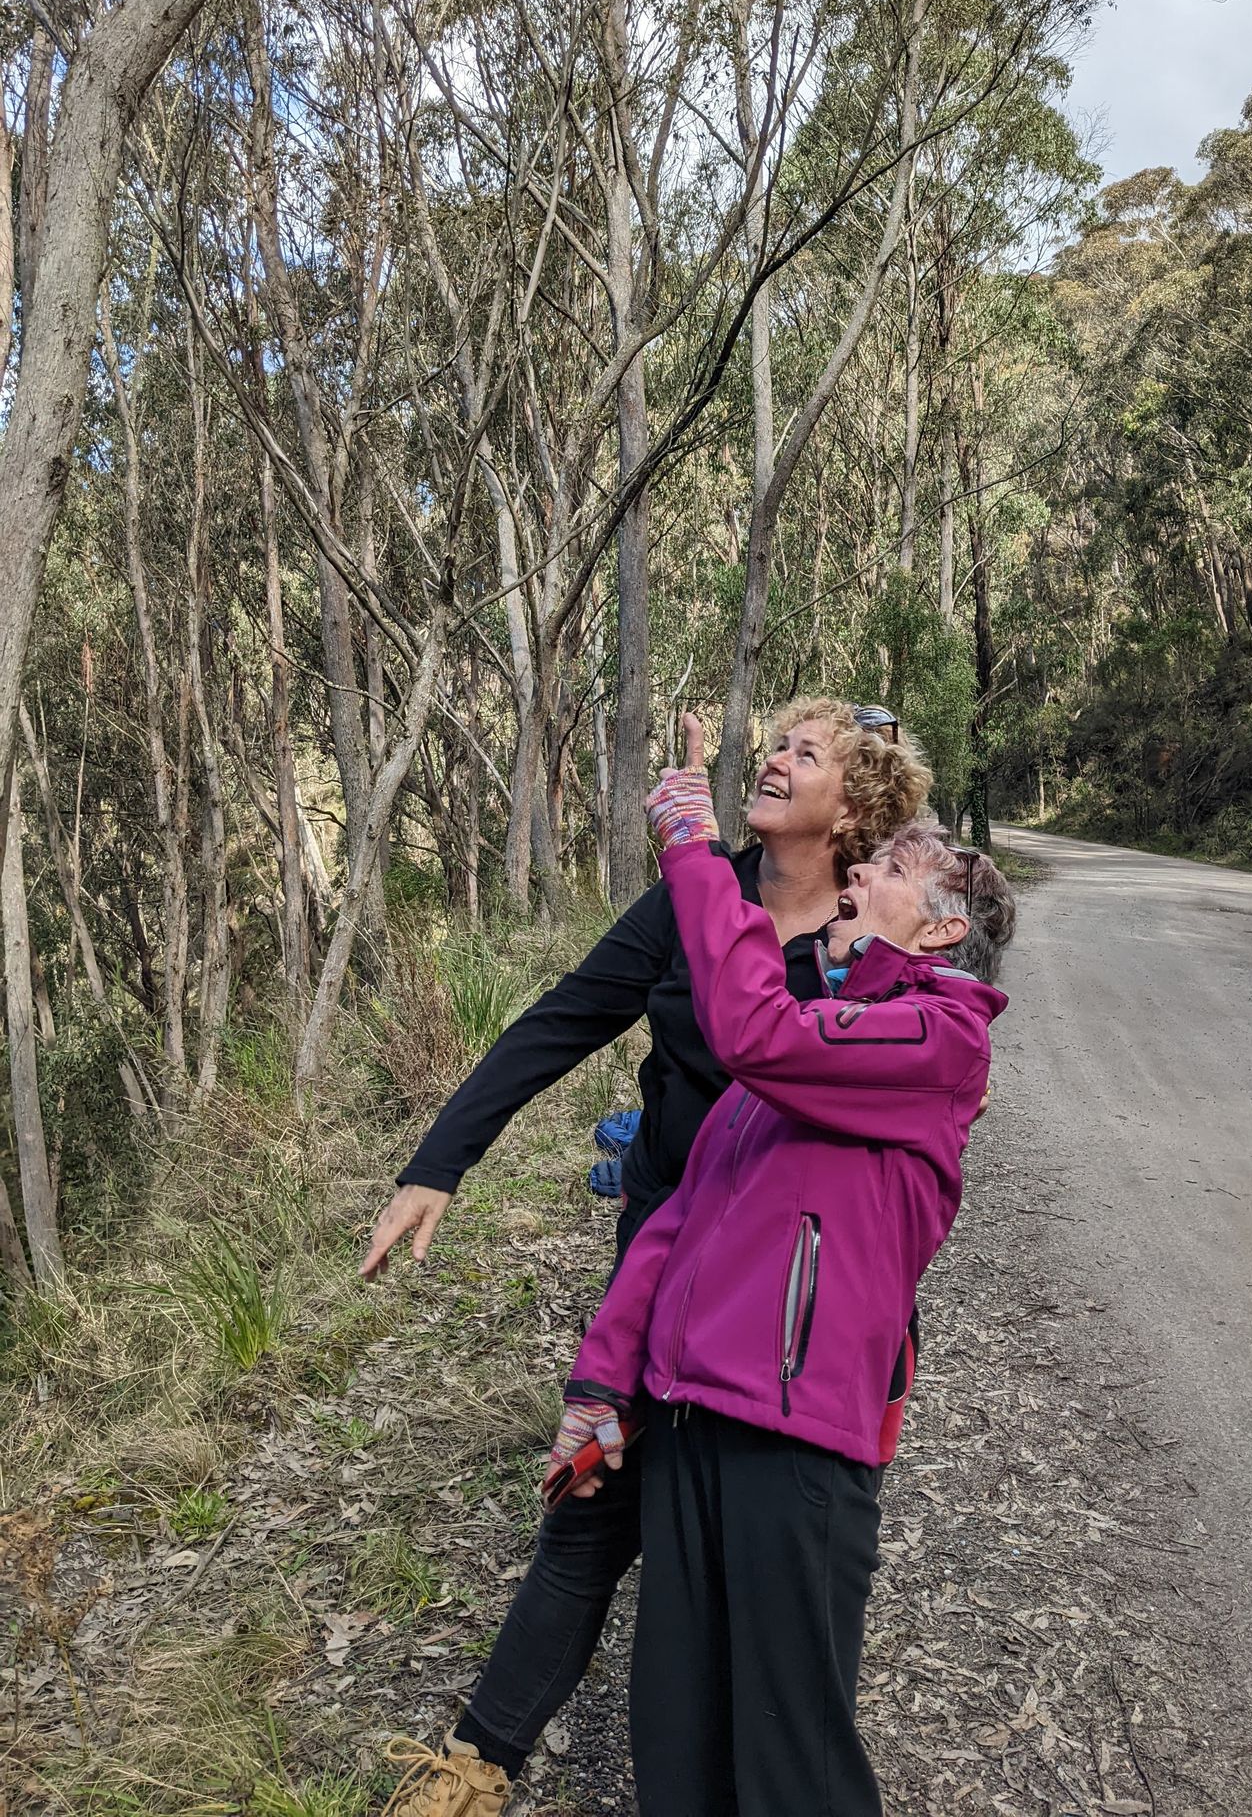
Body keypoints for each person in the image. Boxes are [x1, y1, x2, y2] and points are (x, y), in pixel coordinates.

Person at [372, 701, 930, 1815]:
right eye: (770, 742)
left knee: (769, 1563)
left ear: (853, 808)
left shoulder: (876, 945)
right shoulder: (694, 899)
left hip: (785, 1314)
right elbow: (563, 1015)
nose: (768, 758)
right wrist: (438, 1161)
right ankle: (475, 1766)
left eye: (800, 751)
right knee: (593, 1499)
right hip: (662, 1266)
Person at [545, 721, 1017, 1816]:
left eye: (892, 868)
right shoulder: (823, 1026)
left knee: (789, 1767)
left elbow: (749, 1028)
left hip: (797, 1445)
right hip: (694, 1417)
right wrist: (598, 1385)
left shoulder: (940, 1040)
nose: (860, 871)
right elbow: (676, 1218)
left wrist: (697, 856)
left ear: (942, 928)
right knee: (679, 1745)